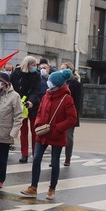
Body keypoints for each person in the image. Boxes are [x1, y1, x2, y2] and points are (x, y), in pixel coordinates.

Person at [22, 69, 78, 201]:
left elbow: (72, 118)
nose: (48, 83)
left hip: (56, 134)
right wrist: (37, 123)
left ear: (57, 84)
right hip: (42, 132)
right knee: (36, 159)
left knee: (54, 162)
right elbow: (40, 112)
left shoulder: (67, 98)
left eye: (51, 81)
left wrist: (58, 128)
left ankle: (52, 189)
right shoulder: (46, 95)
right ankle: (33, 187)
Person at [10, 56, 44, 163]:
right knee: (23, 130)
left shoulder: (36, 75)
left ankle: (35, 153)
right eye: (33, 65)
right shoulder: (16, 74)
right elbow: (13, 88)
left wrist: (31, 101)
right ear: (27, 65)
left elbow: (37, 90)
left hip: (32, 105)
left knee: (34, 130)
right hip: (20, 104)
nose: (35, 67)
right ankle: (24, 154)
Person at [60, 62, 83, 166]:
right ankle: (55, 158)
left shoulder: (76, 84)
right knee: (57, 135)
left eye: (63, 68)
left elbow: (78, 102)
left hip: (70, 113)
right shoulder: (58, 82)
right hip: (59, 112)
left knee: (68, 136)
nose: (61, 70)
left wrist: (74, 115)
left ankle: (67, 158)